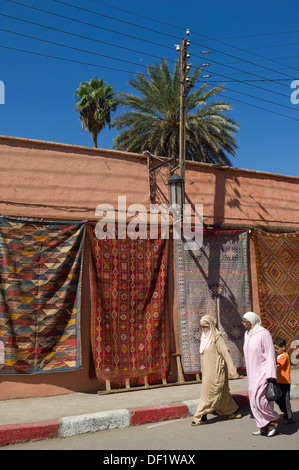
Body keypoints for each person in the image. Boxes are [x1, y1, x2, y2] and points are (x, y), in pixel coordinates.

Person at [191, 315, 241, 426]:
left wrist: (233, 371)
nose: (203, 329)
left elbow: (225, 354)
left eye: (206, 326)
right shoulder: (204, 339)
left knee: (208, 394)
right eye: (202, 327)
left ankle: (200, 416)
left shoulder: (217, 338)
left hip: (217, 372)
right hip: (207, 373)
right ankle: (234, 411)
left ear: (211, 325)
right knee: (222, 395)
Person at [242, 311, 280, 437]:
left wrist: (271, 376)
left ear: (253, 321)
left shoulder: (264, 334)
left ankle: (273, 420)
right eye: (243, 322)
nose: (244, 324)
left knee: (262, 401)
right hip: (252, 374)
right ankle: (263, 426)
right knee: (253, 401)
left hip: (263, 373)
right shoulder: (247, 334)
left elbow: (270, 355)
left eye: (246, 322)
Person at [273, 337, 294, 424]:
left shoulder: (284, 356)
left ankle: (289, 417)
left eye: (277, 348)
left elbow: (277, 363)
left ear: (283, 348)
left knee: (285, 400)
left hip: (285, 382)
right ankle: (285, 412)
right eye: (275, 348)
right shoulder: (279, 356)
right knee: (278, 398)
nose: (276, 350)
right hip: (279, 381)